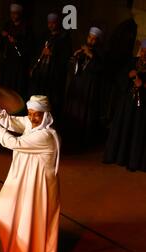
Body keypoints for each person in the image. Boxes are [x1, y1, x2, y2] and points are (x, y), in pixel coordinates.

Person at [0, 92, 61, 252]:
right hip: (25, 178)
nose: (31, 118)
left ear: (45, 115)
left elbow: (12, 142)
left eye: (36, 114)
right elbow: (10, 122)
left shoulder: (45, 136)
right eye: (30, 113)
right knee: (15, 213)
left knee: (30, 216)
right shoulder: (32, 124)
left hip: (37, 185)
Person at [103, 40, 146, 172]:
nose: (144, 53)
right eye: (143, 50)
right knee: (124, 127)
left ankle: (133, 161)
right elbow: (119, 78)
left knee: (137, 131)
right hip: (127, 104)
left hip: (142, 107)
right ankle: (120, 157)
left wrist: (143, 84)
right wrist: (128, 75)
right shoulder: (132, 62)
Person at [61, 27, 105, 150]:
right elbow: (73, 69)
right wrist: (75, 57)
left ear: (98, 41)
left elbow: (100, 69)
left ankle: (83, 141)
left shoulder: (101, 53)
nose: (91, 41)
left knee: (85, 112)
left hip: (89, 88)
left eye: (94, 39)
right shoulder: (82, 51)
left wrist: (90, 54)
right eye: (89, 38)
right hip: (77, 85)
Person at [29, 13, 72, 119]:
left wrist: (52, 54)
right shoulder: (45, 36)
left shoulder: (64, 38)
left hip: (54, 75)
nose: (51, 25)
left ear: (57, 23)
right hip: (42, 73)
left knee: (51, 100)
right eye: (49, 23)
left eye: (53, 23)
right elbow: (37, 52)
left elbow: (66, 58)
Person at [0, 3, 33, 100]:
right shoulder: (8, 25)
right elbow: (2, 43)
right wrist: (3, 36)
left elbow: (28, 45)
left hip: (18, 62)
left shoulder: (26, 27)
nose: (13, 16)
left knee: (16, 84)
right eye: (12, 13)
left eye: (16, 13)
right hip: (7, 59)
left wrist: (16, 42)